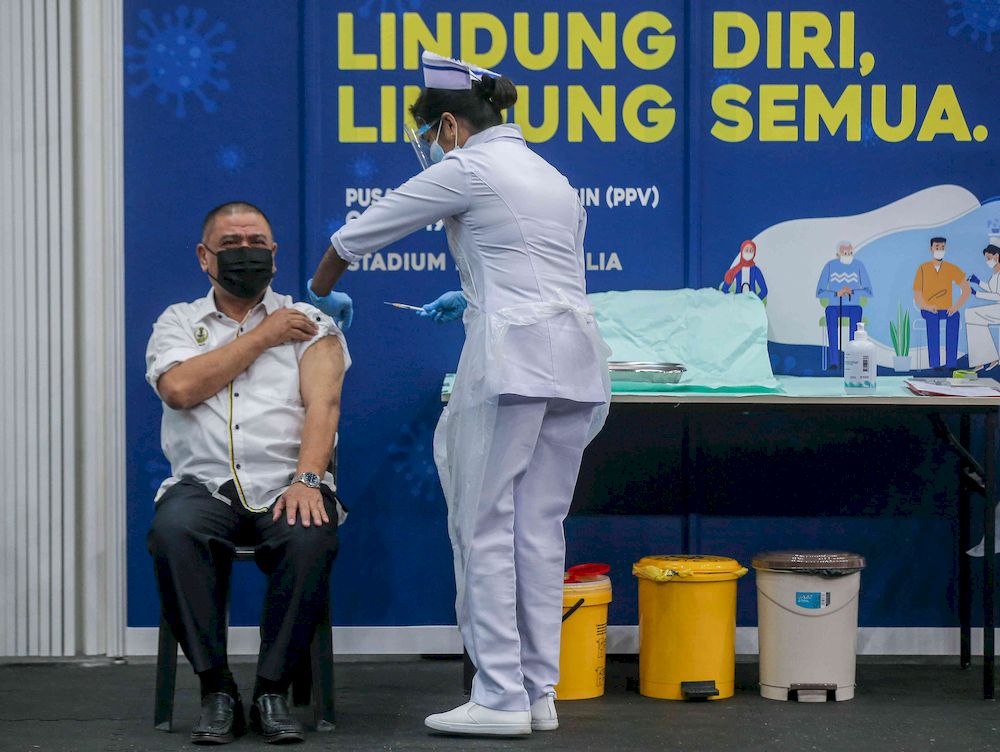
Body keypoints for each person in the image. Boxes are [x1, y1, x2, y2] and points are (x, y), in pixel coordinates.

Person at [307, 51, 611, 737]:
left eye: (431, 135)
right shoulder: (552, 176)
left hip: (512, 361)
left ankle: (498, 695)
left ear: (448, 123)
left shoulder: (468, 166)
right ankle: (538, 691)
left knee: (483, 526)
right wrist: (472, 293)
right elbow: (539, 268)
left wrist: (321, 292)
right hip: (577, 364)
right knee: (537, 529)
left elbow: (354, 237)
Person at [145, 201, 350, 745]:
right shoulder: (178, 322)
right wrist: (262, 336)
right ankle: (215, 689)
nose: (244, 253)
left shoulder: (312, 323)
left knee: (310, 537)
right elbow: (181, 389)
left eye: (255, 242)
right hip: (203, 486)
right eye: (230, 244)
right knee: (174, 532)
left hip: (289, 482)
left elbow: (323, 405)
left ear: (275, 254)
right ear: (204, 257)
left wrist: (308, 479)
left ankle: (272, 690)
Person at [913, 236, 971, 369]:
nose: (940, 250)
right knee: (932, 319)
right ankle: (935, 364)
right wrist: (927, 307)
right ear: (931, 249)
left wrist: (955, 307)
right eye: (937, 247)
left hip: (947, 309)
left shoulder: (951, 268)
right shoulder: (923, 269)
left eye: (942, 248)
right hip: (929, 309)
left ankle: (951, 363)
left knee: (955, 316)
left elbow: (966, 290)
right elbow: (917, 295)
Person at [815, 241, 873, 369]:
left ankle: (854, 359)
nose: (848, 255)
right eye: (845, 252)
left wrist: (852, 291)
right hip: (834, 305)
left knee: (856, 321)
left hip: (853, 305)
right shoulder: (830, 266)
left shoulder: (859, 266)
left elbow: (868, 291)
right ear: (838, 254)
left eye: (850, 252)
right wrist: (837, 293)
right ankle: (834, 361)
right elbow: (819, 292)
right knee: (830, 316)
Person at [965, 244, 1000, 371]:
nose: (987, 261)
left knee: (972, 314)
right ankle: (982, 360)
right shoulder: (995, 273)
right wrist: (977, 281)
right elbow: (992, 289)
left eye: (988, 258)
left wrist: (976, 293)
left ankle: (988, 358)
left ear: (996, 256)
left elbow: (997, 296)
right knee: (971, 314)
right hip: (996, 309)